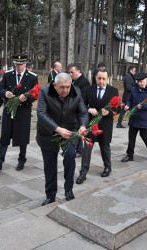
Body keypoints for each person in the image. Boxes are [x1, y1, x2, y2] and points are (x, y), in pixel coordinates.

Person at [36, 73, 88, 205]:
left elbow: (83, 112)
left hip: (69, 131)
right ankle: (50, 195)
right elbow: (41, 114)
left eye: (67, 87)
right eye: (61, 87)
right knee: (50, 165)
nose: (65, 90)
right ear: (54, 85)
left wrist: (82, 126)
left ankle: (68, 189)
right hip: (49, 132)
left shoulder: (76, 91)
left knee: (70, 156)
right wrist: (57, 129)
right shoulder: (45, 91)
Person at [0, 53, 38, 172]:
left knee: (22, 136)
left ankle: (21, 160)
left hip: (23, 111)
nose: (19, 67)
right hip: (9, 110)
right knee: (5, 135)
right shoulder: (7, 74)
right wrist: (5, 93)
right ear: (14, 64)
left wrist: (27, 98)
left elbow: (35, 93)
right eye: (17, 64)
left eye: (21, 64)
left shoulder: (32, 76)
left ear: (25, 64)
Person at [76, 69, 119, 185]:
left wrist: (109, 112)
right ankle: (83, 172)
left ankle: (107, 167)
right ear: (95, 79)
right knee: (87, 148)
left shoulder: (113, 91)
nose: (101, 81)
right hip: (91, 124)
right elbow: (82, 105)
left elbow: (117, 108)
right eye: (99, 78)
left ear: (108, 79)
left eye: (104, 78)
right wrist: (89, 109)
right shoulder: (89, 90)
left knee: (105, 147)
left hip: (105, 125)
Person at [121, 72, 147, 163]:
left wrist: (144, 106)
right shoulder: (134, 89)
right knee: (131, 137)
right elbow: (130, 99)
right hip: (134, 117)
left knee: (144, 136)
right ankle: (130, 155)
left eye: (141, 81)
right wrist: (127, 105)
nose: (139, 83)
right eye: (138, 81)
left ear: (146, 80)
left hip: (144, 118)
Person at [68, 63, 90, 157]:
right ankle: (74, 149)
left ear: (78, 71)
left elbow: (83, 98)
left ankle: (78, 150)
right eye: (69, 72)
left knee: (78, 131)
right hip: (72, 110)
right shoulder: (73, 81)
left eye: (72, 72)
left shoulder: (84, 82)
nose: (70, 75)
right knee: (75, 131)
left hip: (79, 110)